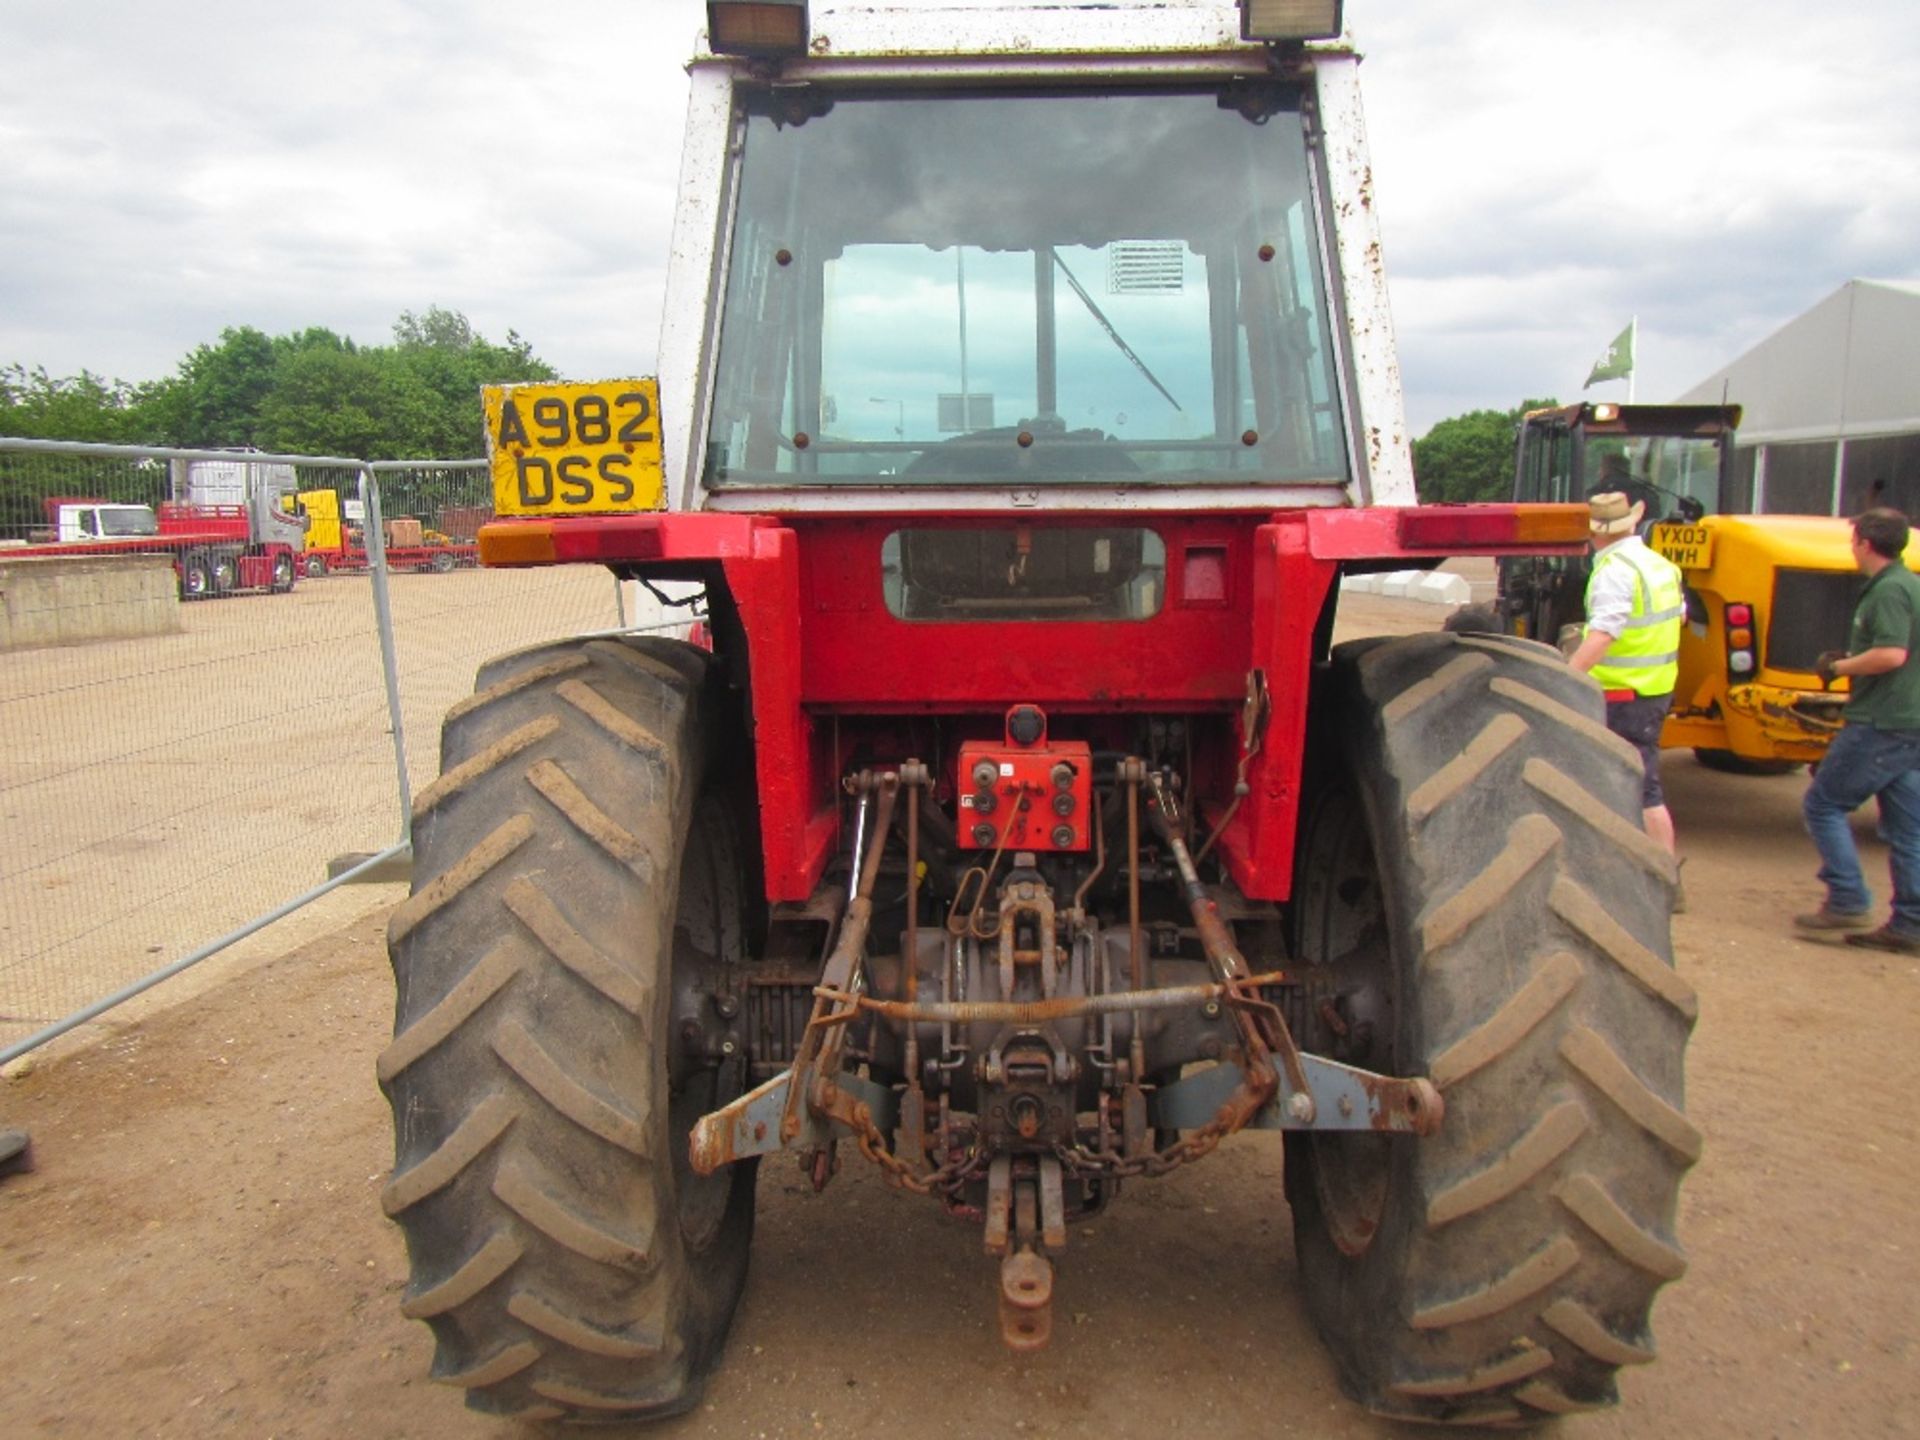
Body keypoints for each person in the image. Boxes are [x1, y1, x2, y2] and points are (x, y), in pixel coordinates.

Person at [1794, 507, 1920, 952]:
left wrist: (1840, 666)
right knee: (1908, 829)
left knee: (1823, 804)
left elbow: (1890, 655)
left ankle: (1847, 896)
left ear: (1865, 543)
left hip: (1879, 723)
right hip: (1909, 723)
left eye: (1854, 540)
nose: (1852, 548)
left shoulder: (1888, 593)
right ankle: (1911, 921)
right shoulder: (1910, 586)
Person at [1567, 491, 1684, 856]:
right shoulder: (1660, 565)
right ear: (1632, 522)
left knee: (1639, 788)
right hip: (1655, 689)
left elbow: (1604, 632)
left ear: (1593, 533)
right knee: (1642, 781)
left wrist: (1565, 676)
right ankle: (1661, 872)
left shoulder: (1614, 571)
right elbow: (1678, 616)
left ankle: (1660, 873)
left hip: (1621, 695)